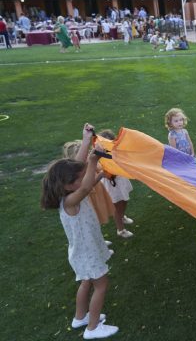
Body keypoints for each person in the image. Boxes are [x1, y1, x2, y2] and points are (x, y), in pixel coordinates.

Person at [41, 144, 119, 339]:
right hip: (87, 253)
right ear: (69, 185)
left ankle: (80, 317)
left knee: (86, 282)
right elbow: (85, 186)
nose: (85, 177)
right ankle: (92, 328)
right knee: (100, 285)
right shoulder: (70, 201)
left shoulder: (69, 195)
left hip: (81, 252)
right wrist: (93, 161)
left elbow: (83, 179)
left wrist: (87, 143)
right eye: (80, 177)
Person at [98, 129, 136, 239]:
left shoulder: (116, 152)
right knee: (117, 208)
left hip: (121, 181)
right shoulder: (99, 156)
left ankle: (122, 216)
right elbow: (100, 168)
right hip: (111, 185)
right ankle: (121, 229)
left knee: (124, 200)